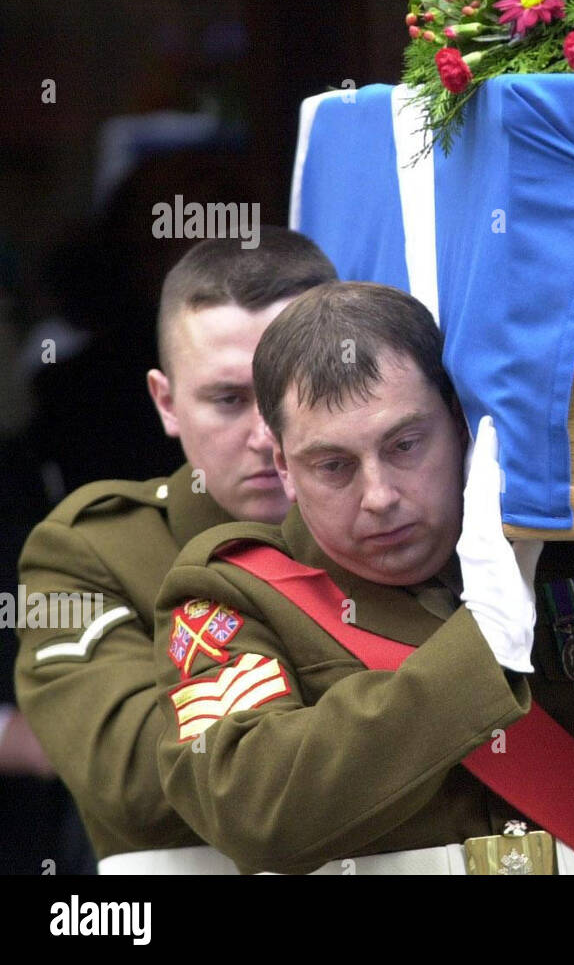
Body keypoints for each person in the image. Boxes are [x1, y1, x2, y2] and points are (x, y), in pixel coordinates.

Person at [152, 281, 574, 874]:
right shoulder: (235, 591)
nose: (378, 496)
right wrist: (482, 639)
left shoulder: (569, 549)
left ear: (458, 421)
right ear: (283, 465)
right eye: (334, 466)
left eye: (404, 445)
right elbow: (250, 805)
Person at [15, 229, 337, 873]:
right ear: (166, 402)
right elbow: (137, 782)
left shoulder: (417, 527)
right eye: (228, 399)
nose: (266, 434)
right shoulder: (89, 550)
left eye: (293, 388)